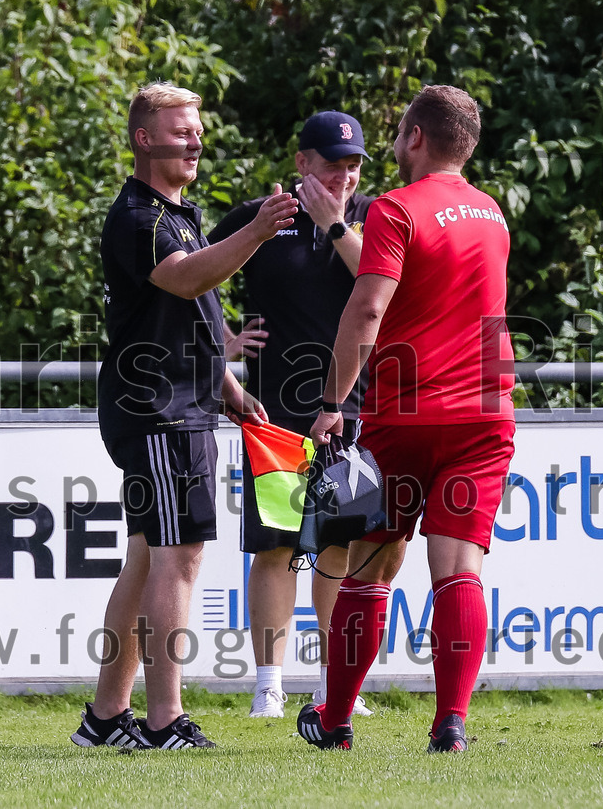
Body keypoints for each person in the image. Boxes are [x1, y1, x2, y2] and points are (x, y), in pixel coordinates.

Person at [71, 82, 298, 750]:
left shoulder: (176, 213)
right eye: (180, 130)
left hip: (179, 406)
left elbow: (191, 316)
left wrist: (229, 389)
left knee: (145, 560)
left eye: (197, 129)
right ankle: (164, 719)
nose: (194, 139)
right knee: (181, 557)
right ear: (145, 139)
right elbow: (187, 280)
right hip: (159, 413)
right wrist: (258, 231)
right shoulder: (139, 219)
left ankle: (106, 718)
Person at [297, 85, 516, 752]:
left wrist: (333, 402)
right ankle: (451, 721)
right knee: (458, 570)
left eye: (397, 135)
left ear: (415, 137)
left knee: (370, 568)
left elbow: (368, 310)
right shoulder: (492, 213)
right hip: (484, 412)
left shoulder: (395, 210)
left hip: (409, 413)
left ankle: (335, 721)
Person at [208, 111, 376, 719]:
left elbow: (383, 284)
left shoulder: (370, 218)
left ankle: (334, 685)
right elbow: (190, 275)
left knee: (337, 549)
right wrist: (221, 336)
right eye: (333, 163)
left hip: (351, 411)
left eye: (354, 165)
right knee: (276, 548)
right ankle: (268, 685)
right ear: (302, 161)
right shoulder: (262, 216)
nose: (345, 175)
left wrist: (335, 225)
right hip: (273, 414)